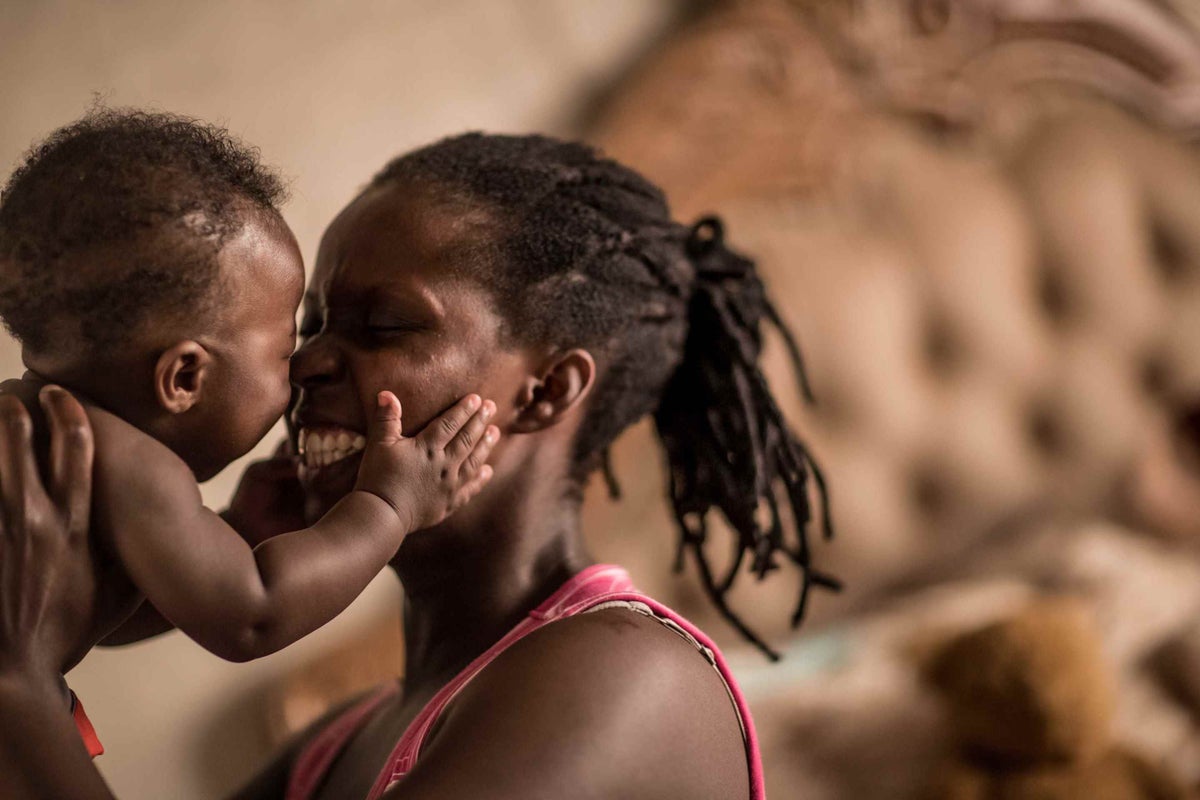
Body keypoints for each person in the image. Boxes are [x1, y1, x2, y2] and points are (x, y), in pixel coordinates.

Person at [0, 132, 836, 799]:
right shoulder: (342, 743)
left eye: (383, 325)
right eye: (314, 323)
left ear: (545, 390)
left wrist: (20, 692)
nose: (307, 366)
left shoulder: (625, 676)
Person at [0, 109, 501, 742]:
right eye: (283, 347)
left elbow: (96, 618)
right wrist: (389, 505)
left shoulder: (39, 429)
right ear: (184, 378)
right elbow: (252, 617)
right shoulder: (125, 462)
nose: (301, 370)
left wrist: (236, 532)